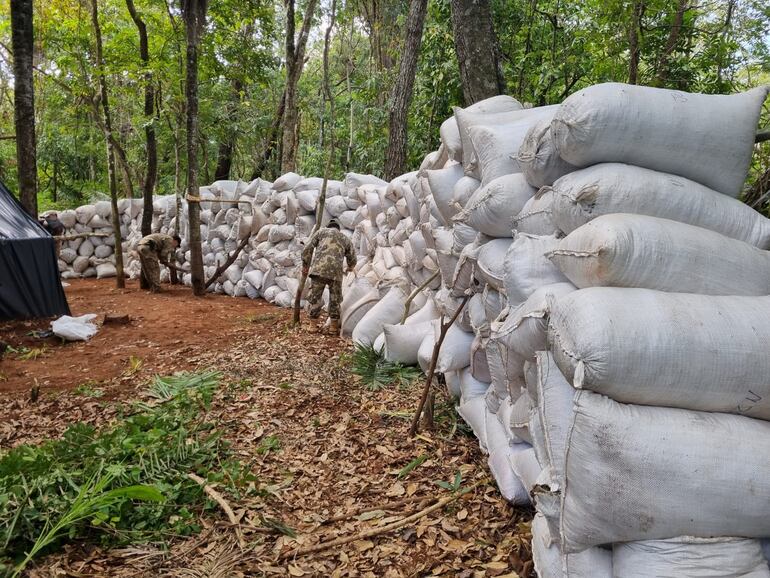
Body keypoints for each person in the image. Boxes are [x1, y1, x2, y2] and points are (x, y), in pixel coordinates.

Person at [301, 219, 356, 335]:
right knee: (335, 299)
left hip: (318, 271)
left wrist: (305, 265)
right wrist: (350, 266)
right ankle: (333, 328)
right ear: (338, 229)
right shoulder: (344, 238)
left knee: (315, 297)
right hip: (336, 273)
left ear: (328, 226)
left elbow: (308, 248)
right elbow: (352, 255)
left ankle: (313, 326)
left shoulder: (321, 232)